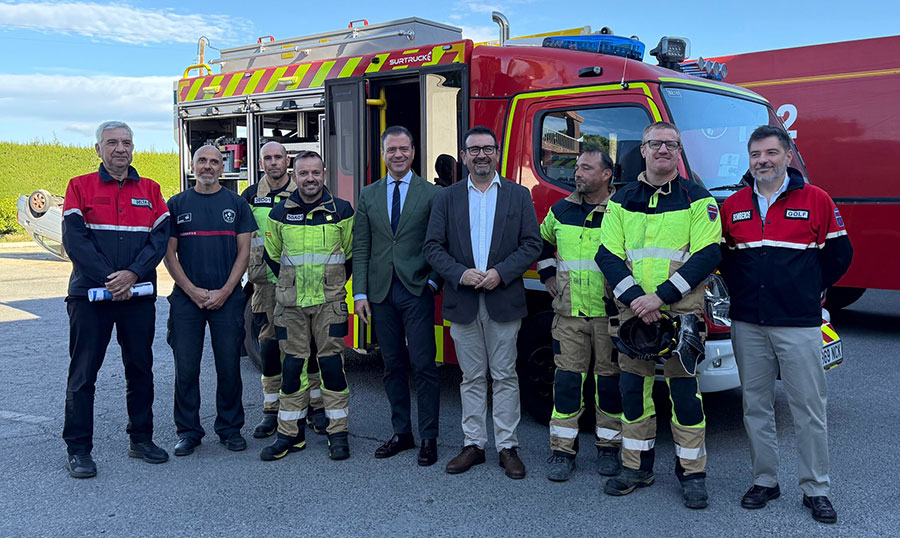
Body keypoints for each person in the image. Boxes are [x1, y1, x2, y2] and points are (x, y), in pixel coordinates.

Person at [720, 125, 852, 524]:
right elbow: (725, 260)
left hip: (798, 324)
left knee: (808, 409)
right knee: (755, 406)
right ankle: (765, 480)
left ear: (788, 156)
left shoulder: (817, 200)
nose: (763, 160)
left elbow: (840, 256)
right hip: (748, 324)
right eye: (756, 154)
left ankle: (816, 488)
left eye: (771, 153)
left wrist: (807, 291)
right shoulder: (733, 205)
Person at [595, 121, 721, 508]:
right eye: (655, 143)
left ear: (678, 152)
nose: (663, 150)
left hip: (680, 315)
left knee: (685, 398)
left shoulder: (699, 198)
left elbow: (708, 255)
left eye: (671, 144)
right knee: (633, 394)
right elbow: (607, 254)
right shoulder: (620, 199)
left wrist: (659, 298)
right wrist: (637, 300)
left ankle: (692, 475)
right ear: (644, 150)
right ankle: (636, 467)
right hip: (635, 317)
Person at [424, 125, 542, 479]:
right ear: (463, 156)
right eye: (473, 150)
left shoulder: (519, 196)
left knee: (505, 375)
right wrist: (460, 273)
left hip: (502, 298)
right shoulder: (446, 198)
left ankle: (507, 446)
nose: (481, 155)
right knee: (471, 376)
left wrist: (500, 273)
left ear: (497, 153)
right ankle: (473, 444)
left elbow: (532, 244)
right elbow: (433, 247)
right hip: (462, 300)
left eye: (487, 149)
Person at [61, 121, 171, 478]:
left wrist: (132, 275)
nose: (120, 148)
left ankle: (141, 439)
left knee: (140, 369)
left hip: (136, 296)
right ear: (98, 149)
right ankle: (78, 449)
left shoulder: (152, 191)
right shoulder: (79, 187)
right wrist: (111, 279)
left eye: (126, 142)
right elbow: (75, 241)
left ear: (133, 148)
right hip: (90, 296)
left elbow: (159, 240)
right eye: (111, 143)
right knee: (83, 373)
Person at [352, 126, 443, 466]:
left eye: (404, 148)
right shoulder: (368, 195)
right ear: (383, 153)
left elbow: (441, 243)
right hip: (380, 293)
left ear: (414, 151)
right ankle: (402, 433)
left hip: (417, 289)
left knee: (424, 366)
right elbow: (362, 246)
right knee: (392, 366)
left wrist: (433, 283)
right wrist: (360, 293)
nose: (398, 155)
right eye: (392, 150)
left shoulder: (432, 194)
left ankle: (429, 437)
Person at [260, 151, 354, 461]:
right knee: (292, 369)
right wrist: (291, 287)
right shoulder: (279, 214)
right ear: (295, 175)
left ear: (324, 174)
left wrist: (332, 285)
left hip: (330, 305)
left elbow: (350, 256)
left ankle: (337, 433)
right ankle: (291, 435)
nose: (310, 178)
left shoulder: (342, 211)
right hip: (290, 306)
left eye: (315, 172)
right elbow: (273, 257)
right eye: (304, 173)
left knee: (331, 367)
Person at [164, 145, 256, 456]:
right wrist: (191, 291)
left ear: (222, 167)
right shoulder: (176, 205)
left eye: (214, 162)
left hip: (227, 299)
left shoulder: (236, 204)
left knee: (229, 366)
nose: (208, 166)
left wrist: (227, 291)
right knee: (186, 368)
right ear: (192, 166)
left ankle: (230, 429)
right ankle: (188, 432)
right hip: (186, 300)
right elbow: (169, 254)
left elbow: (244, 253)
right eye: (202, 161)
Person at [537, 149, 623, 481]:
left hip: (607, 316)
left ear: (606, 175)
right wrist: (546, 276)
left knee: (610, 385)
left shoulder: (621, 211)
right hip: (569, 316)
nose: (577, 173)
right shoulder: (560, 210)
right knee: (568, 384)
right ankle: (562, 452)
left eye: (586, 168)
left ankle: (608, 449)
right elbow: (542, 242)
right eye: (576, 167)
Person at [241, 142, 327, 439]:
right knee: (269, 343)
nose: (274, 162)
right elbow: (241, 241)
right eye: (268, 158)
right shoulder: (250, 196)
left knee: (310, 344)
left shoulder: (305, 191)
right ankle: (271, 409)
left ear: (287, 161)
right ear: (261, 162)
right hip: (264, 281)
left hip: (301, 282)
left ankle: (315, 408)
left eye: (279, 157)